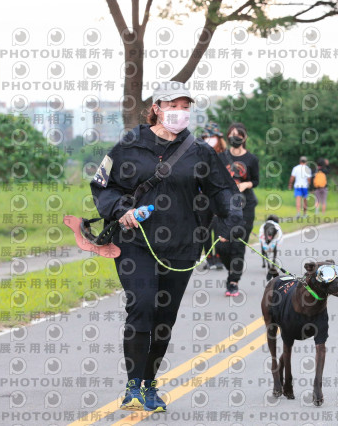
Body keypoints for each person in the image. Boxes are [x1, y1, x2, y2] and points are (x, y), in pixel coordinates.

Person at [90, 81, 243, 412]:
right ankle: (133, 386)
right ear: (157, 108)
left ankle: (149, 383)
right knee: (141, 306)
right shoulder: (128, 146)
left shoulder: (200, 151)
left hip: (182, 245)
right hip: (135, 243)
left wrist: (230, 221)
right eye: (174, 105)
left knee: (164, 317)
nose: (181, 111)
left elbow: (224, 191)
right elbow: (103, 187)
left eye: (186, 106)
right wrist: (121, 211)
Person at [215, 122, 259, 297]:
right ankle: (230, 269)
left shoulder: (252, 159)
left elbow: (256, 180)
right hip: (224, 206)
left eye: (239, 134)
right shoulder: (221, 157)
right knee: (222, 246)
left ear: (244, 137)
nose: (235, 137)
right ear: (227, 136)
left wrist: (245, 184)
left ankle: (233, 281)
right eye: (232, 134)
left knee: (238, 245)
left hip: (245, 205)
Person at [199, 122, 227, 270]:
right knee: (205, 228)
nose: (209, 139)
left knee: (218, 227)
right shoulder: (199, 154)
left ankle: (219, 257)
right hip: (202, 198)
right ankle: (209, 257)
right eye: (206, 136)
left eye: (213, 136)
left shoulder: (224, 156)